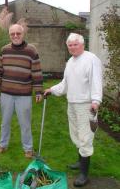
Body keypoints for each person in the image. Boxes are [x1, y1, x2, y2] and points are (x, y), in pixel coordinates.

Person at [44, 33, 102, 187]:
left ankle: (84, 174)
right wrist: (52, 89)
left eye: (75, 44)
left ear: (82, 44)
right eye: (69, 45)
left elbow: (96, 81)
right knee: (76, 134)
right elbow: (65, 84)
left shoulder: (91, 59)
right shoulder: (70, 61)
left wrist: (96, 101)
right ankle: (80, 161)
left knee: (85, 137)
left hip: (87, 105)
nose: (72, 47)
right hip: (72, 103)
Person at [0, 23, 43, 158]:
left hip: (24, 94)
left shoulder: (31, 50)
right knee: (5, 122)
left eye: (18, 33)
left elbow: (36, 72)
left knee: (25, 123)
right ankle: (2, 145)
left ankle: (28, 148)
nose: (15, 36)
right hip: (6, 93)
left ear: (23, 34)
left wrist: (38, 91)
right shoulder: (4, 50)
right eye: (12, 34)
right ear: (9, 35)